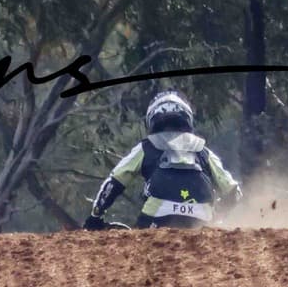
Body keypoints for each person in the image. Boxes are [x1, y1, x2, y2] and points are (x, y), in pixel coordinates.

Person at [85, 91, 243, 229]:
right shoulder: (203, 150)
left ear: (152, 119)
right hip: (201, 220)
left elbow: (115, 181)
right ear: (187, 118)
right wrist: (217, 219)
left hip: (155, 219)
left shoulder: (146, 147)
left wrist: (95, 217)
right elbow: (233, 192)